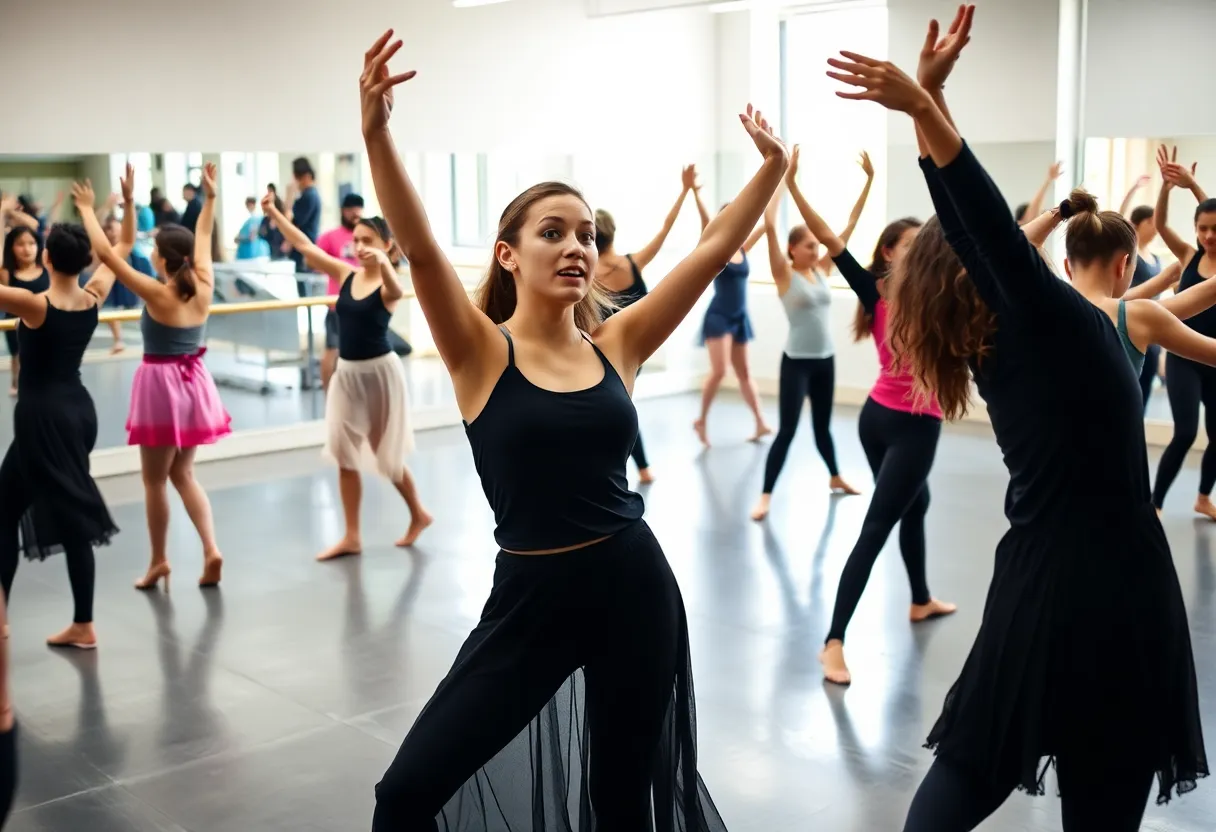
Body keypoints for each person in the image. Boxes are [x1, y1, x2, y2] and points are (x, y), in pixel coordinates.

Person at [358, 30, 786, 829]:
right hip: (531, 600)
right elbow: (417, 252)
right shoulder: (481, 352)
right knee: (405, 793)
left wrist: (772, 168)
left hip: (634, 586)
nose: (575, 247)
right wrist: (377, 134)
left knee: (620, 797)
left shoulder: (616, 343)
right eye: (552, 232)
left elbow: (715, 246)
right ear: (508, 255)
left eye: (585, 234)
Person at [827, 6, 1207, 827]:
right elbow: (989, 226)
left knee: (972, 769)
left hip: (1036, 578)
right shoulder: (1052, 322)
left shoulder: (1007, 344)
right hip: (1116, 588)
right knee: (1100, 789)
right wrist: (926, 110)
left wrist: (932, 106)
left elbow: (979, 229)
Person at [782, 171, 952, 685]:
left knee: (915, 504)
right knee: (877, 527)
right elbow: (830, 237)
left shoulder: (937, 293)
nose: (920, 251)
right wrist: (791, 185)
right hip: (908, 426)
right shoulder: (875, 289)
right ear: (888, 252)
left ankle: (920, 600)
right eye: (910, 244)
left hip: (876, 419)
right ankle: (833, 642)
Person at [82, 163, 230, 592]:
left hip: (161, 386)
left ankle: (158, 560)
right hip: (194, 384)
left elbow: (108, 254)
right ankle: (210, 548)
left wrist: (92, 210)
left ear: (162, 259)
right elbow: (204, 232)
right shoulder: (203, 282)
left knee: (153, 481)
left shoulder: (157, 291)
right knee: (183, 475)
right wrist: (212, 197)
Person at [260, 191, 431, 560]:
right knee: (343, 451)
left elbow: (396, 289)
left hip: (380, 375)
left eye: (367, 241)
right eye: (355, 241)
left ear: (387, 245)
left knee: (387, 455)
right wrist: (275, 212)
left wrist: (384, 260)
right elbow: (305, 245)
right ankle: (352, 535)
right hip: (347, 374)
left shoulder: (388, 285)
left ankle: (418, 513)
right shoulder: (346, 274)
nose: (358, 247)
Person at [0, 179, 126, 650]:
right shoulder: (94, 295)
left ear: (47, 259)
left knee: (10, 512)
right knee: (56, 511)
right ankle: (83, 624)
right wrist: (111, 209)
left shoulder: (35, 305)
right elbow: (121, 248)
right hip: (78, 413)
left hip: (42, 417)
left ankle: (8, 618)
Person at [750, 148, 872, 522]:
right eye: (809, 245)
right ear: (792, 249)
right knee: (787, 431)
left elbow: (847, 226)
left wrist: (869, 182)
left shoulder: (821, 270)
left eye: (817, 246)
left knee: (822, 428)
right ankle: (766, 495)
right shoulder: (783, 272)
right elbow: (770, 223)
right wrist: (784, 177)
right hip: (796, 363)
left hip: (825, 360)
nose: (817, 248)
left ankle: (835, 477)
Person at [594, 167, 697, 483]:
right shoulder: (633, 263)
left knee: (615, 407)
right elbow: (666, 228)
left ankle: (635, 467)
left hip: (604, 351)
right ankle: (639, 467)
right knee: (619, 405)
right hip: (634, 350)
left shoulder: (586, 273)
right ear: (613, 232)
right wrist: (685, 191)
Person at [1147, 146, 1216, 518]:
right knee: (1186, 431)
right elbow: (1159, 225)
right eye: (1202, 228)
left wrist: (1194, 185)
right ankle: (1154, 504)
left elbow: (1213, 208)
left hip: (1215, 359)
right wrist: (1168, 188)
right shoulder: (1190, 256)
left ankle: (1203, 498)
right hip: (1184, 358)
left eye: (1214, 229)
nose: (1208, 235)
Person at [692, 180, 771, 446]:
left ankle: (760, 422)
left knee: (745, 372)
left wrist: (774, 189)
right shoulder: (720, 246)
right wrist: (695, 193)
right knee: (719, 371)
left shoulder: (742, 248)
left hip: (739, 317)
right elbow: (706, 223)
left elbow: (765, 220)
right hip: (720, 317)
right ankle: (701, 420)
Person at [316, 193, 366, 389]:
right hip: (338, 304)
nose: (355, 213)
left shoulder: (365, 235)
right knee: (332, 349)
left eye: (358, 209)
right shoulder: (331, 236)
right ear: (343, 212)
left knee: (360, 351)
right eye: (350, 209)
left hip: (363, 302)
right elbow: (313, 259)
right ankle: (329, 394)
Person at [0, 226, 49, 396]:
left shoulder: (47, 270)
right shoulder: (7, 272)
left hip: (44, 324)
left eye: (31, 243)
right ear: (11, 248)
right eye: (20, 244)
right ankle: (17, 382)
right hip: (16, 325)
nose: (27, 249)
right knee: (18, 356)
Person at [285, 159, 322, 295]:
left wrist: (289, 196)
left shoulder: (309, 196)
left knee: (305, 293)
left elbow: (290, 223)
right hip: (303, 249)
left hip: (303, 249)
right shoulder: (310, 195)